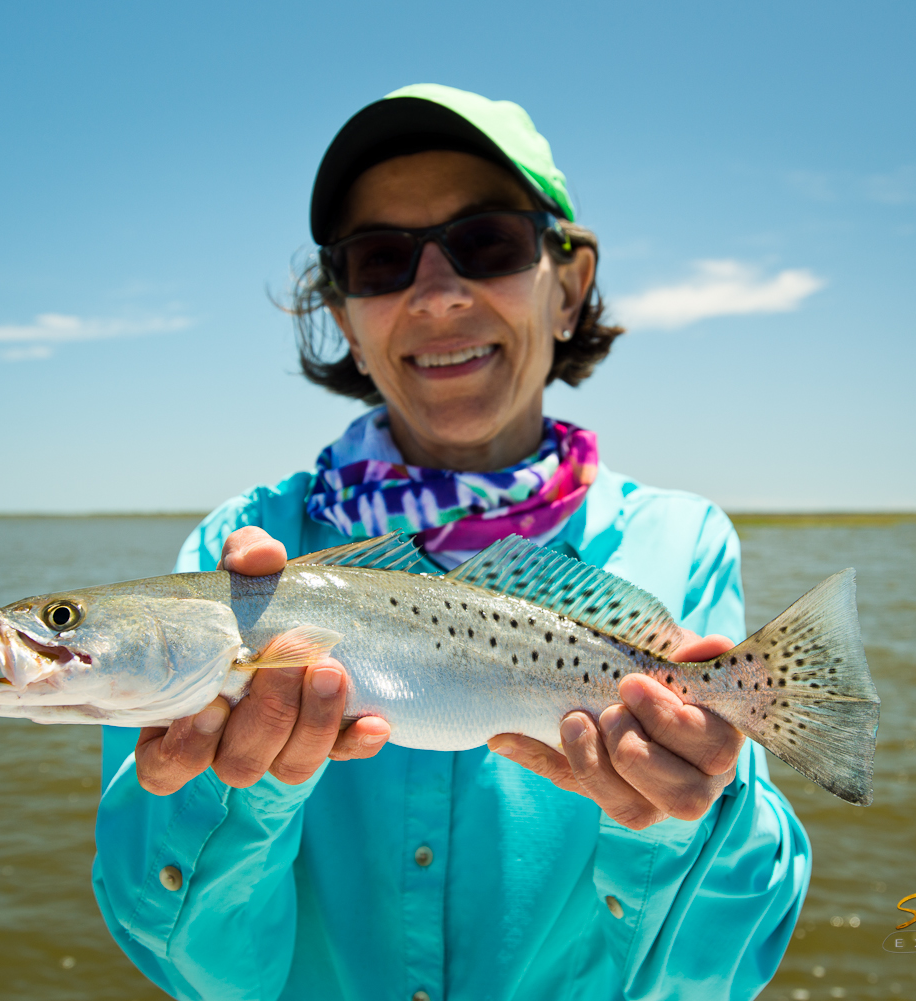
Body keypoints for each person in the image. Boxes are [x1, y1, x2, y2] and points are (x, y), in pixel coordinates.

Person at [93, 84, 810, 1001]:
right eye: (381, 258)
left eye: (487, 244)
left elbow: (710, 977)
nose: (435, 295)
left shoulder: (683, 542)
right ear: (346, 318)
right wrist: (232, 791)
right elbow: (203, 977)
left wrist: (690, 810)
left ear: (570, 288)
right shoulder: (238, 553)